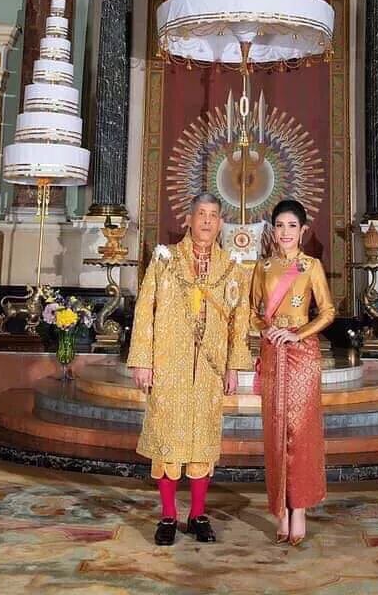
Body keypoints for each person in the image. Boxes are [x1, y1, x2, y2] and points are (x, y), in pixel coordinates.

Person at [127, 192, 251, 546]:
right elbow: (145, 310)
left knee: (203, 443)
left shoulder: (232, 268)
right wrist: (143, 360)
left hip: (210, 368)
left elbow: (239, 320)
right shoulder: (165, 259)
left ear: (221, 222)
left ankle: (198, 515)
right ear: (190, 219)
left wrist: (233, 367)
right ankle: (168, 515)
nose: (207, 221)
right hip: (169, 364)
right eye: (201, 214)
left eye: (213, 215)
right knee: (167, 441)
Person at [250, 199, 335, 545]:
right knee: (275, 431)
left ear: (303, 231)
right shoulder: (263, 267)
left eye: (292, 226)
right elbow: (253, 311)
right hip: (273, 353)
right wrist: (266, 328)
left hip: (302, 355)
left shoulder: (311, 266)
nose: (285, 232)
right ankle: (280, 508)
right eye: (279, 225)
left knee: (300, 431)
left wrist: (298, 334)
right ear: (273, 230)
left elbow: (328, 312)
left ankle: (299, 508)